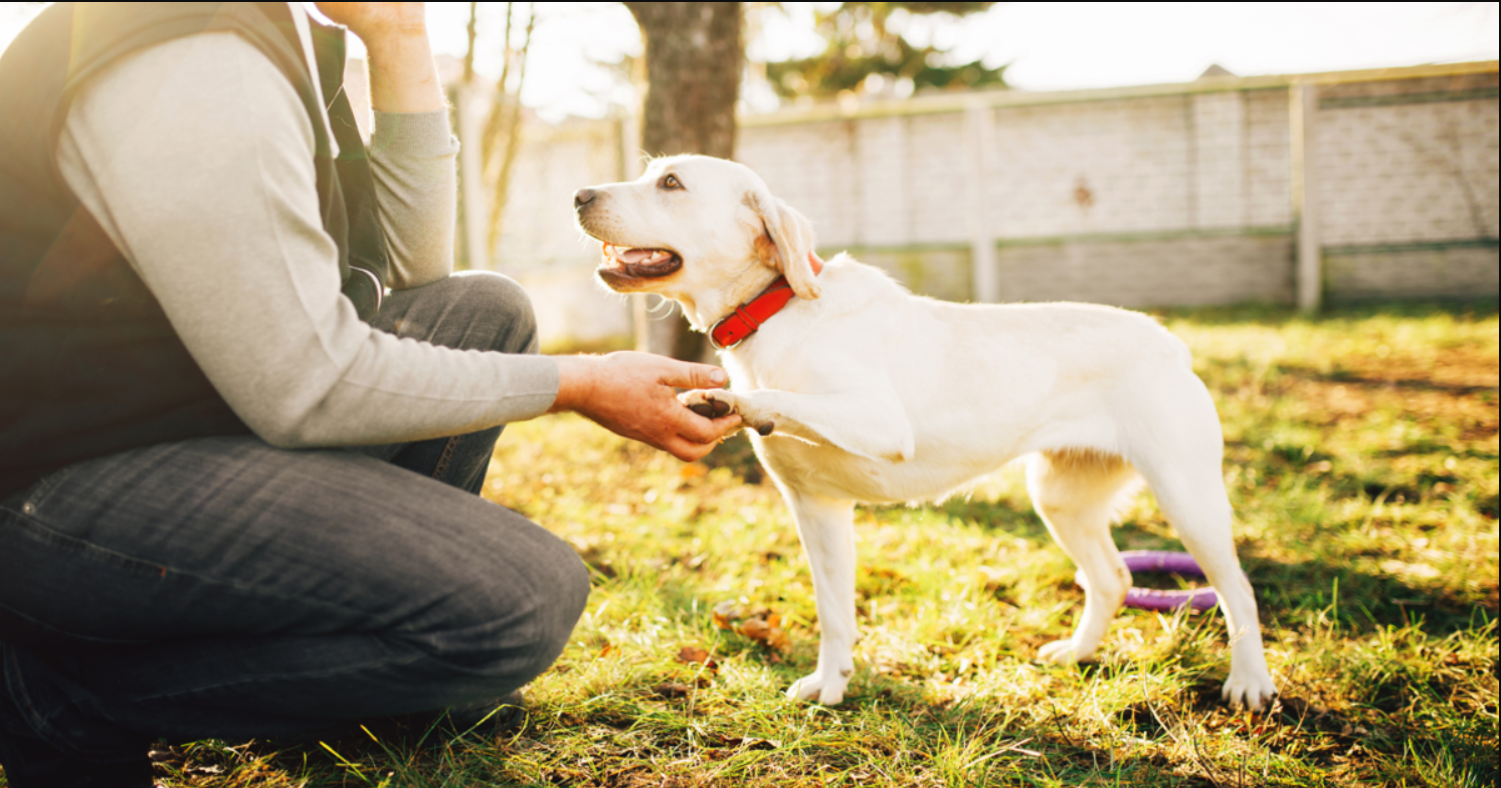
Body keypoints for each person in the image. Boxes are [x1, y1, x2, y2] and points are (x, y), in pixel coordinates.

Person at [0, 2, 742, 785]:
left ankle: (351, 692)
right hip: (50, 480)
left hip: (173, 411)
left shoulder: (279, 34)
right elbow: (307, 384)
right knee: (520, 599)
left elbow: (415, 269)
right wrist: (580, 382)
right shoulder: (196, 49)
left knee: (483, 310)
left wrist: (396, 35)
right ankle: (63, 698)